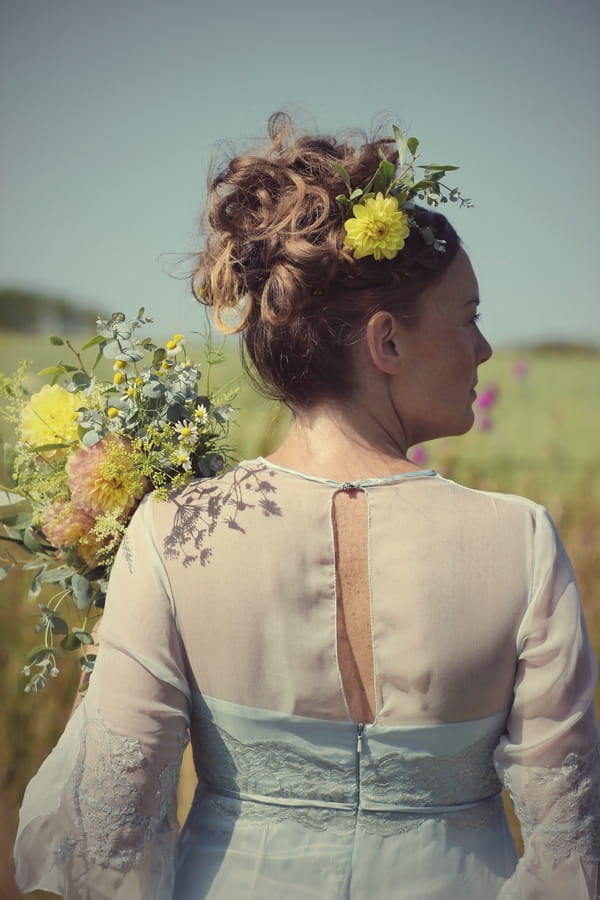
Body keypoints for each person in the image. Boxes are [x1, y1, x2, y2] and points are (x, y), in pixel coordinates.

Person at [14, 112, 599, 899]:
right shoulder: (520, 541)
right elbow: (571, 855)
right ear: (386, 343)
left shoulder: (170, 535)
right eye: (469, 318)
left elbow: (110, 835)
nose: (484, 350)